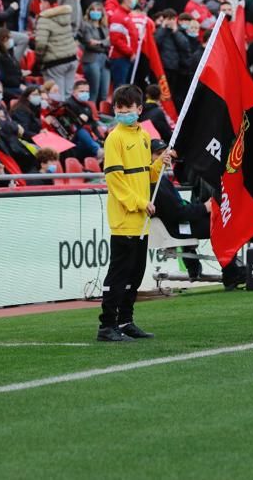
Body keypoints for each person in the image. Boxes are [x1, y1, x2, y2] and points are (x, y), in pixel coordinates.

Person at [97, 84, 162, 342]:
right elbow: (115, 179)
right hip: (125, 218)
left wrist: (160, 163)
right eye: (119, 108)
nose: (123, 112)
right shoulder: (115, 138)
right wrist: (138, 202)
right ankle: (107, 324)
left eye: (128, 108)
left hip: (141, 220)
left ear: (139, 109)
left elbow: (146, 173)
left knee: (135, 274)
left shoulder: (144, 136)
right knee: (119, 274)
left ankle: (125, 321)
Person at [34, 0, 78, 98]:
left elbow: (41, 43)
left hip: (55, 63)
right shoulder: (65, 15)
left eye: (42, 2)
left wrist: (39, 58)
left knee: (56, 96)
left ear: (47, 3)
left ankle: (60, 115)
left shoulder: (44, 19)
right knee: (68, 94)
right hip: (72, 59)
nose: (40, 5)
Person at [78, 1, 111, 103]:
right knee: (93, 91)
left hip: (105, 61)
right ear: (89, 12)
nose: (95, 12)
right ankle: (92, 113)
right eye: (93, 10)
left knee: (104, 92)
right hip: (91, 59)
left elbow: (110, 41)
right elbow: (89, 43)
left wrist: (99, 43)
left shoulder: (105, 27)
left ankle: (101, 114)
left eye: (98, 10)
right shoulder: (85, 25)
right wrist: (104, 43)